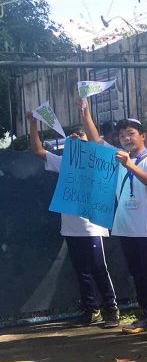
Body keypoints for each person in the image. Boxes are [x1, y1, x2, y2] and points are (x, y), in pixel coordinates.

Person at [26, 100, 120, 329]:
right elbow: (38, 150)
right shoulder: (65, 162)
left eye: (81, 136)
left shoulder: (98, 161)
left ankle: (111, 308)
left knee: (98, 268)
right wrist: (33, 124)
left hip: (92, 226)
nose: (77, 139)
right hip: (70, 226)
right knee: (81, 270)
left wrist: (85, 120)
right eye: (73, 137)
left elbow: (98, 144)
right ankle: (91, 310)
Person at [102, 117, 147, 339]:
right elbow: (96, 141)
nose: (126, 139)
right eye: (122, 136)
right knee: (137, 273)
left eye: (130, 134)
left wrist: (130, 166)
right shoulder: (120, 157)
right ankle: (146, 314)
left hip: (146, 226)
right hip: (125, 226)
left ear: (143, 136)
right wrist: (84, 113)